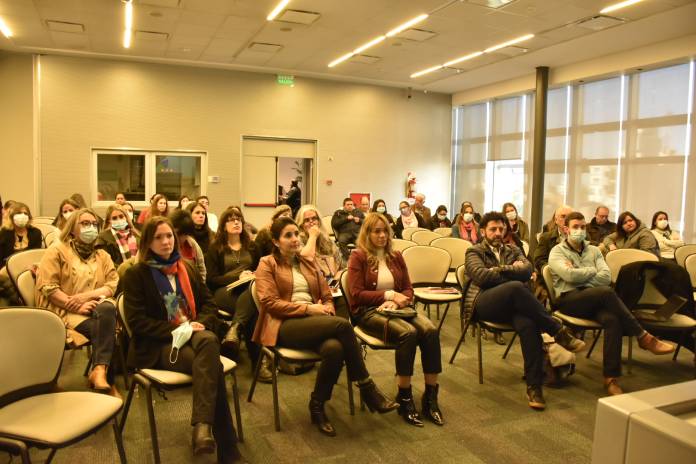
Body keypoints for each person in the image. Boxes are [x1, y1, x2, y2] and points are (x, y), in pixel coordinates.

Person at [254, 216, 398, 436]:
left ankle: (317, 406)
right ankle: (367, 387)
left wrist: (328, 306)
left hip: (314, 322)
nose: (295, 239)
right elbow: (270, 303)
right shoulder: (267, 263)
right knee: (343, 326)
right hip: (284, 325)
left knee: (335, 349)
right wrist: (309, 309)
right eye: (288, 235)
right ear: (275, 241)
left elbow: (326, 293)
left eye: (296, 234)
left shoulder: (306, 261)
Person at [122, 217, 244, 462]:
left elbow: (209, 304)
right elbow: (137, 323)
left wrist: (198, 324)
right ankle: (226, 448)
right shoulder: (136, 274)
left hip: (195, 334)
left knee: (208, 342)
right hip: (159, 345)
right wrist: (179, 328)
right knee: (212, 367)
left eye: (169, 236)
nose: (166, 241)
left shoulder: (186, 268)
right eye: (158, 237)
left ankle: (202, 427)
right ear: (147, 242)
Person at [463, 211, 585, 410]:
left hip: (513, 305)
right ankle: (557, 330)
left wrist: (499, 270)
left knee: (529, 324)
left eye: (501, 229)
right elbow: (482, 277)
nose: (498, 233)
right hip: (484, 303)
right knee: (516, 287)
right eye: (493, 229)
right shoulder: (474, 252)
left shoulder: (513, 249)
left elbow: (528, 270)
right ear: (483, 231)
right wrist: (512, 271)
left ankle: (534, 386)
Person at [548, 211, 676, 395]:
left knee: (612, 320)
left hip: (594, 298)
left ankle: (611, 378)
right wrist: (592, 271)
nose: (580, 230)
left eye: (583, 227)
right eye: (575, 227)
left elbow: (606, 277)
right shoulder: (557, 251)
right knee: (607, 292)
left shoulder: (593, 250)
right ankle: (643, 336)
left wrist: (581, 273)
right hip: (569, 300)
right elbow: (569, 276)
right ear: (566, 229)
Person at [347, 212, 444, 427]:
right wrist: (389, 295)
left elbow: (408, 289)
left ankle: (430, 398)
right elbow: (356, 294)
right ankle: (405, 397)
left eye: (385, 231)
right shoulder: (358, 257)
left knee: (430, 331)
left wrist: (398, 302)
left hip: (398, 309)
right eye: (377, 231)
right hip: (368, 311)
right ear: (367, 233)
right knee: (408, 333)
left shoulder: (396, 256)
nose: (382, 235)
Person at [36, 208, 119, 396]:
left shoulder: (102, 255)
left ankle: (99, 371)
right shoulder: (56, 251)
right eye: (85, 223)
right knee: (106, 328)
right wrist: (77, 306)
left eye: (94, 224)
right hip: (64, 310)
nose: (91, 228)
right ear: (72, 228)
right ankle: (105, 379)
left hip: (96, 308)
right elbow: (48, 287)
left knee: (107, 309)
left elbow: (112, 284)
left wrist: (85, 297)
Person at [205, 206, 270, 380]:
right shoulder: (215, 248)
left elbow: (262, 269)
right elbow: (211, 279)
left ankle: (235, 329)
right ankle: (258, 364)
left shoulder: (252, 246)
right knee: (253, 308)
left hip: (249, 289)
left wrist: (253, 274)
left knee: (252, 306)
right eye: (231, 220)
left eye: (239, 219)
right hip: (224, 291)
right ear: (223, 225)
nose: (236, 222)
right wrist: (237, 277)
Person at [296, 204, 344, 281]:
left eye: (314, 218)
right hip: (311, 281)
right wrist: (313, 236)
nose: (311, 222)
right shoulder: (297, 241)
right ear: (301, 225)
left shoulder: (326, 240)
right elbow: (308, 257)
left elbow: (340, 263)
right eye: (306, 220)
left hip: (332, 280)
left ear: (319, 221)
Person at [533, 205, 573, 272]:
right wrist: (555, 269)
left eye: (570, 217)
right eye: (563, 216)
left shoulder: (581, 236)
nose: (566, 220)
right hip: (553, 273)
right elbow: (539, 260)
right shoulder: (545, 238)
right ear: (556, 220)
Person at [170, 209, 207, 280]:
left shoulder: (192, 244)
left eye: (181, 234)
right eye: (175, 233)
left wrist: (200, 284)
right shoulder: (166, 246)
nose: (176, 237)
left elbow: (201, 269)